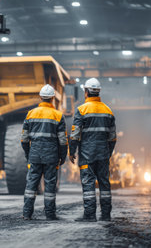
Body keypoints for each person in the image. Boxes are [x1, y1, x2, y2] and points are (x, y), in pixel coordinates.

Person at [69, 78, 116, 222]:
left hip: (86, 155)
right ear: (98, 92)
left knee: (88, 183)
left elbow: (75, 134)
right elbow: (113, 138)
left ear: (86, 92)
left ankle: (90, 215)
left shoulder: (81, 110)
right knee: (104, 183)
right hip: (103, 154)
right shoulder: (108, 111)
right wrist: (108, 153)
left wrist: (72, 151)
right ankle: (106, 214)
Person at [20, 84, 68, 220]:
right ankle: (50, 214)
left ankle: (27, 214)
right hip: (51, 156)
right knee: (50, 185)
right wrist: (62, 156)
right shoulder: (58, 116)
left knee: (31, 185)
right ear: (53, 98)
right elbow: (63, 141)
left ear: (40, 97)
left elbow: (24, 139)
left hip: (34, 155)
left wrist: (28, 153)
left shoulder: (30, 114)